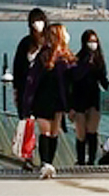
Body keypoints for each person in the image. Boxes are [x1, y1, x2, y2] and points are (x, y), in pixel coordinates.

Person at [22, 23, 76, 179]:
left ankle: (49, 163)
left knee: (54, 133)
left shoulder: (67, 56)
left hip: (58, 100)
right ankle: (45, 163)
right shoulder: (43, 56)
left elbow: (72, 80)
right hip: (43, 99)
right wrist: (27, 103)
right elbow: (32, 81)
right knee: (45, 131)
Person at [13, 8, 48, 170]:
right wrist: (16, 89)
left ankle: (46, 158)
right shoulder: (25, 43)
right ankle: (28, 157)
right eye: (34, 20)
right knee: (28, 124)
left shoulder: (49, 42)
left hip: (44, 90)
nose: (37, 23)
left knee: (45, 127)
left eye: (40, 19)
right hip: (27, 90)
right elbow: (17, 67)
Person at [69, 29, 109, 165]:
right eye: (90, 41)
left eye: (95, 41)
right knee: (81, 133)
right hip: (79, 99)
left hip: (94, 97)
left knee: (92, 131)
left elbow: (103, 79)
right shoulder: (78, 59)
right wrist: (70, 106)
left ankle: (91, 161)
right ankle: (80, 160)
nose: (93, 44)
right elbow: (74, 79)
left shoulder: (99, 59)